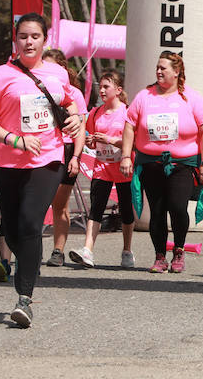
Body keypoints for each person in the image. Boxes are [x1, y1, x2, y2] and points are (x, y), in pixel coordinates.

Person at [0, 13, 83, 327]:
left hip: (48, 158)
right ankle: (27, 263)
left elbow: (71, 104)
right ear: (16, 39)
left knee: (31, 221)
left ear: (44, 39)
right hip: (8, 161)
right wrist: (14, 139)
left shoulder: (57, 73)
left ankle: (24, 299)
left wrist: (75, 119)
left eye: (35, 36)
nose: (29, 42)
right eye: (23, 36)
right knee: (12, 226)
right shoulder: (0, 75)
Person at [120, 51, 203, 274]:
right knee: (158, 210)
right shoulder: (145, 96)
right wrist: (125, 156)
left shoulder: (191, 97)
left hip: (182, 164)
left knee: (178, 207)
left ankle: (179, 250)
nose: (159, 71)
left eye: (163, 68)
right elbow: (129, 126)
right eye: (157, 68)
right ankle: (160, 256)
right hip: (151, 163)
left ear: (177, 71)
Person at [68, 70, 135, 269]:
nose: (102, 90)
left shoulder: (127, 112)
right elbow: (86, 132)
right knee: (96, 208)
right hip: (102, 167)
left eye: (106, 87)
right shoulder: (96, 113)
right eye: (101, 87)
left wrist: (110, 140)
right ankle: (87, 250)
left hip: (123, 167)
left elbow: (133, 142)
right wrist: (90, 140)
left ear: (118, 89)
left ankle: (127, 249)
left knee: (126, 211)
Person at [41, 49, 87, 267]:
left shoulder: (74, 94)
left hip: (67, 150)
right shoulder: (35, 89)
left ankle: (57, 250)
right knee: (38, 202)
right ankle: (31, 248)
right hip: (43, 148)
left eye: (52, 68)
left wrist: (76, 157)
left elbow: (80, 128)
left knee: (60, 204)